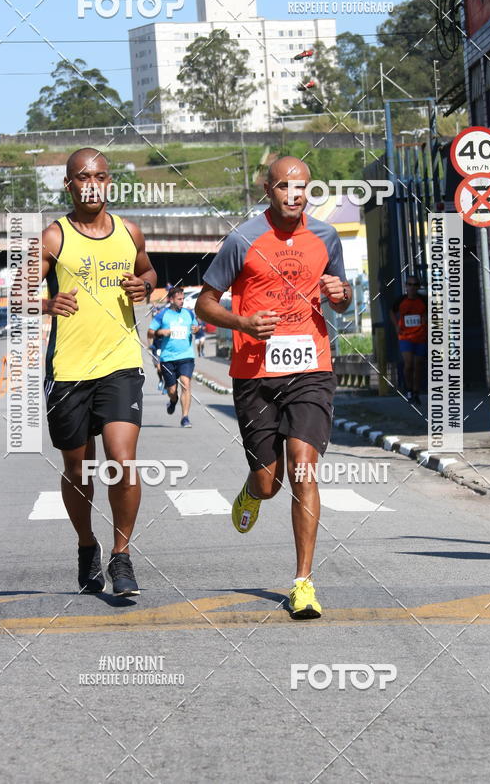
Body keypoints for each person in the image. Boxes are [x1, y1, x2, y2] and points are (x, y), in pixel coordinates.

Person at [195, 156, 351, 619]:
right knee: (270, 482)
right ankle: (252, 488)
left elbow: (342, 298)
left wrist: (342, 296)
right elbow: (205, 303)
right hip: (254, 373)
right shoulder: (242, 239)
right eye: (285, 186)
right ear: (268, 189)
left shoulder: (326, 236)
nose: (295, 195)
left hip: (311, 369)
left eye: (302, 187)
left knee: (304, 468)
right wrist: (241, 321)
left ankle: (303, 582)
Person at [41, 148, 157, 596]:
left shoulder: (130, 232)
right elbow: (19, 294)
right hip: (68, 368)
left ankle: (121, 556)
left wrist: (143, 286)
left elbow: (149, 274)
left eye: (100, 176)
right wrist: (48, 303)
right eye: (82, 177)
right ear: (69, 185)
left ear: (110, 182)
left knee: (122, 461)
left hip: (120, 362)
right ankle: (86, 545)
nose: (92, 183)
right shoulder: (54, 237)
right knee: (77, 467)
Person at [147, 286, 198, 428]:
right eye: (179, 299)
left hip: (186, 356)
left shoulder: (189, 313)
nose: (182, 301)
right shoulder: (162, 315)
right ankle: (173, 401)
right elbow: (150, 333)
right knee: (172, 391)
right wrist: (160, 332)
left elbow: (196, 326)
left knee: (185, 383)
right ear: (171, 299)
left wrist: (196, 329)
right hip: (167, 358)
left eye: (183, 299)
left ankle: (185, 417)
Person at [390, 274, 427, 406]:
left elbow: (430, 312)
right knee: (409, 364)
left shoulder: (423, 300)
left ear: (418, 287)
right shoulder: (400, 300)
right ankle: (409, 390)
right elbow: (392, 311)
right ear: (406, 286)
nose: (412, 287)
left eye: (415, 285)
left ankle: (416, 392)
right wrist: (396, 326)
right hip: (405, 337)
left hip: (420, 337)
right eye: (409, 285)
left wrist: (425, 319)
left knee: (418, 365)